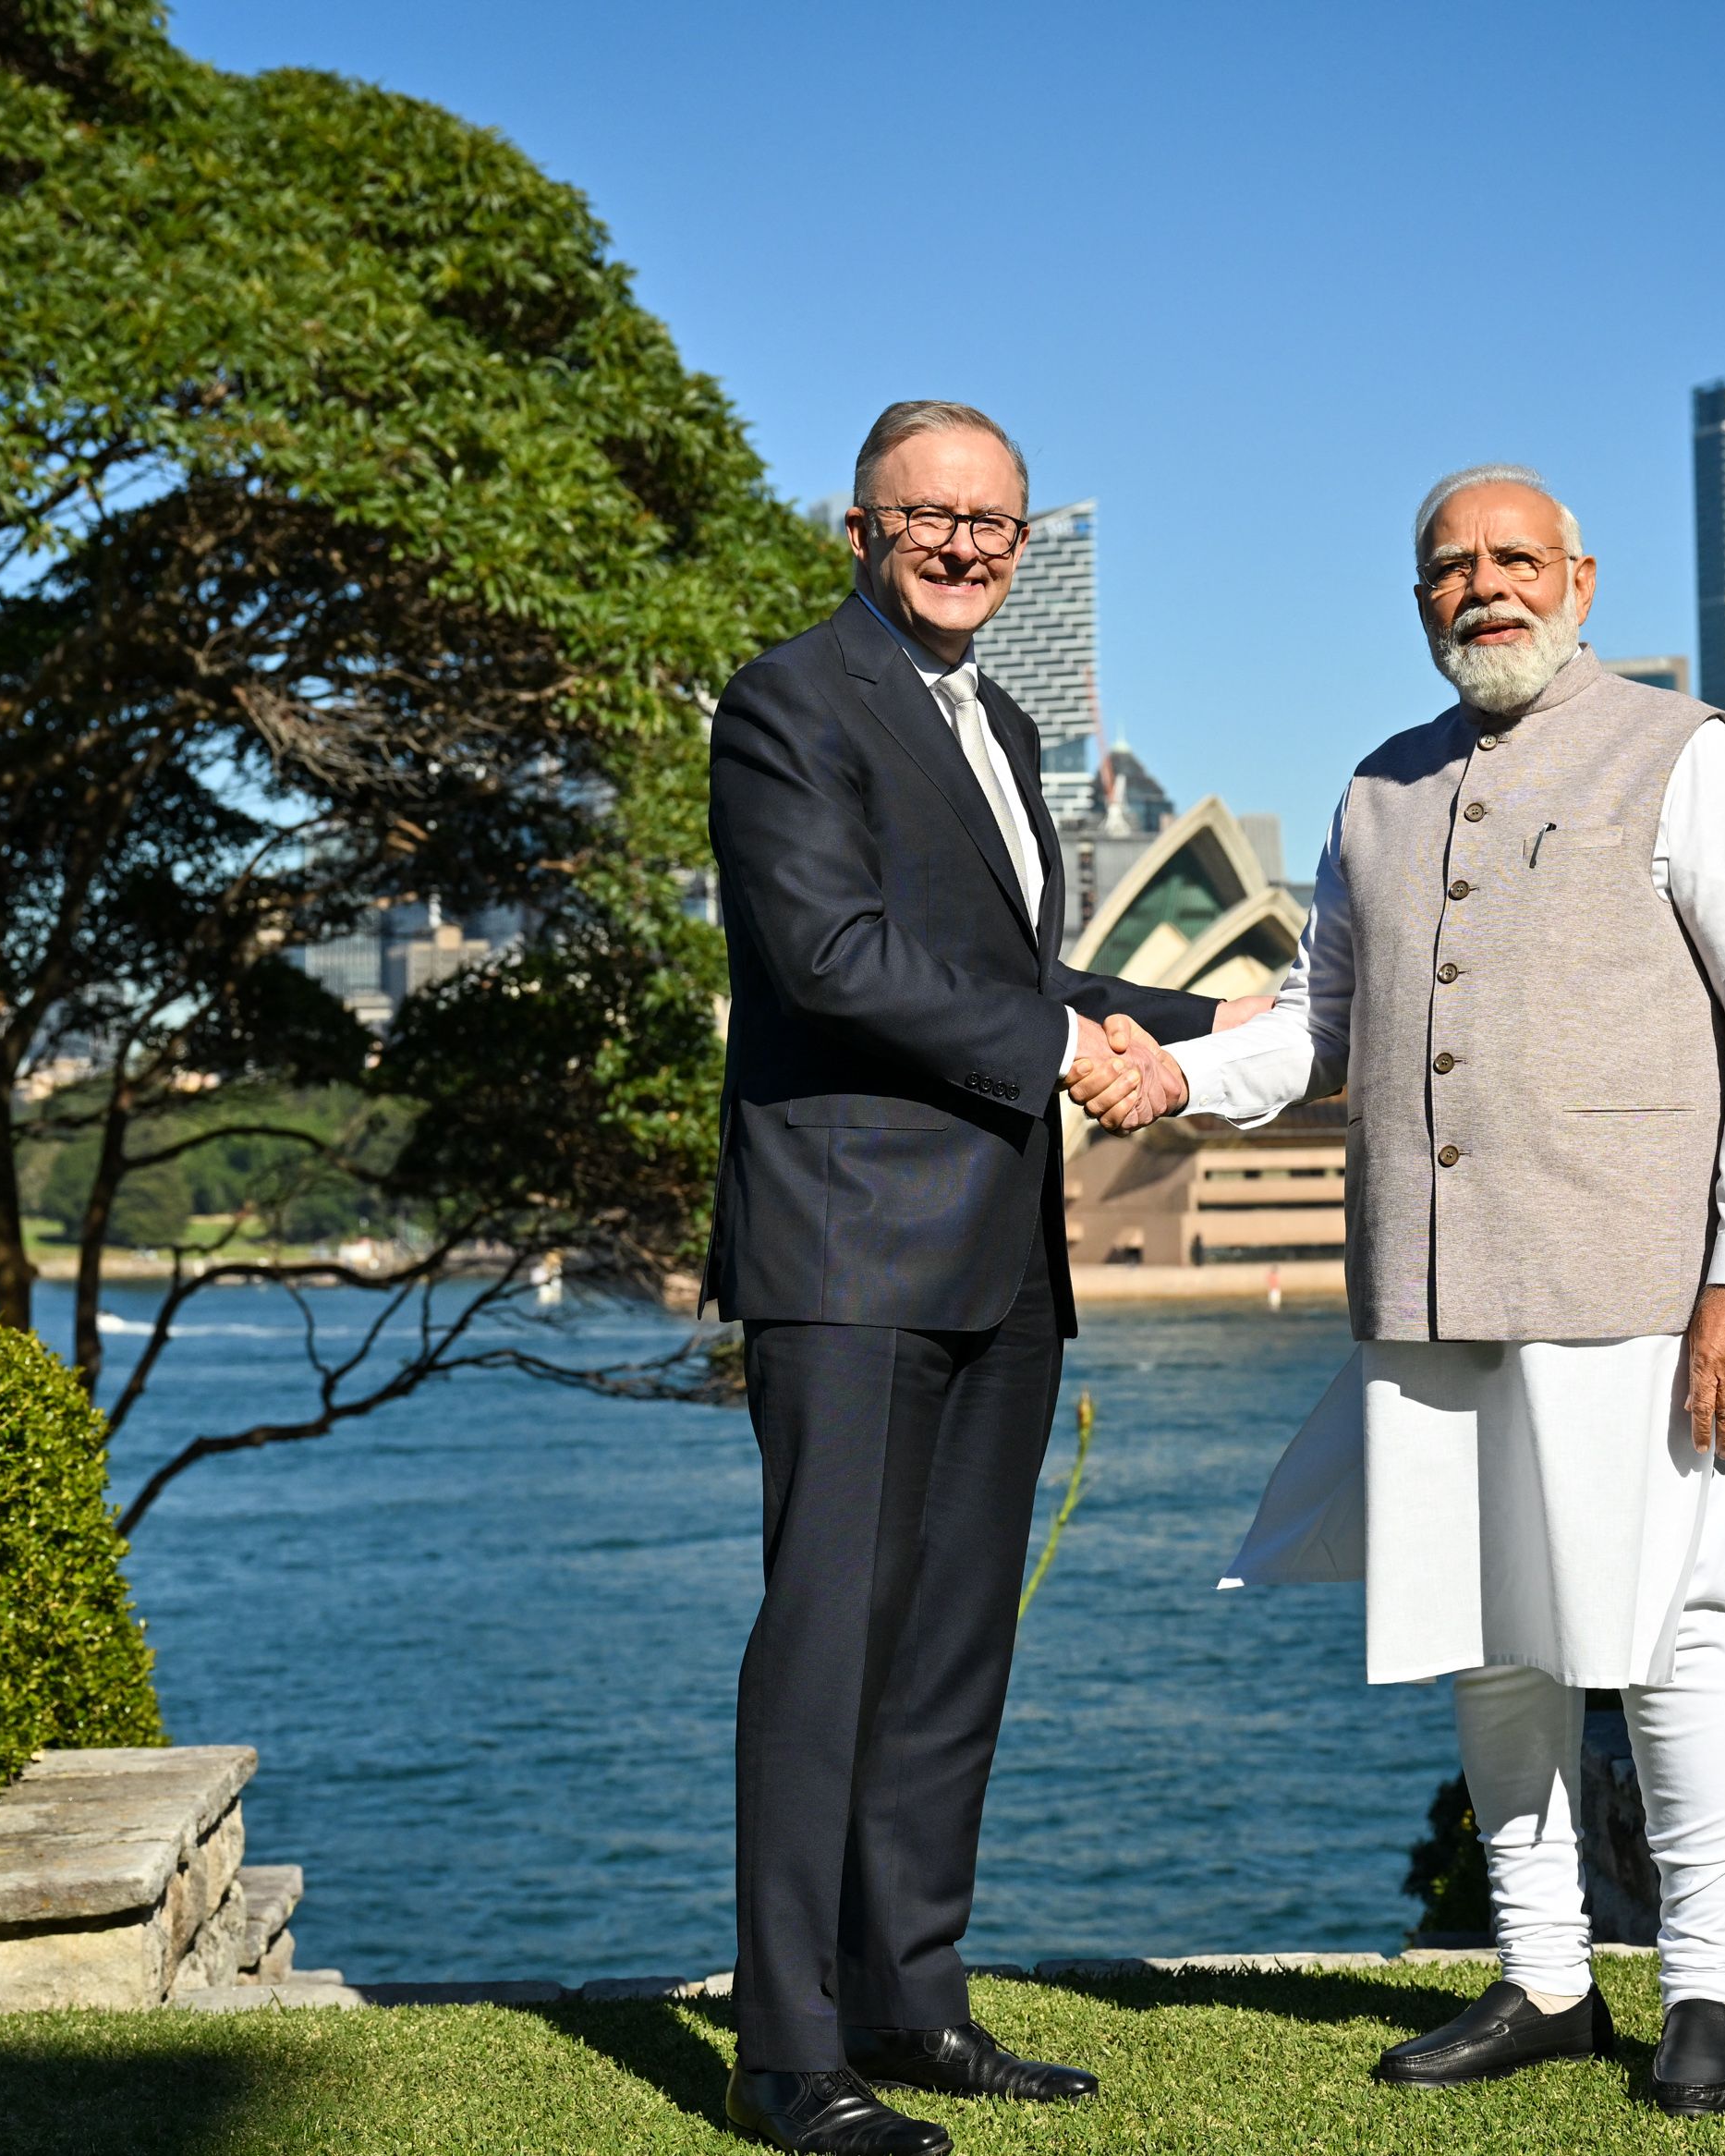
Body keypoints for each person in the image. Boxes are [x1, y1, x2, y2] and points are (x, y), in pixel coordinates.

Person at [1092, 463, 1725, 2117]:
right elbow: (1317, 1027)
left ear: (1577, 576)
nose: (1482, 586)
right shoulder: (1372, 792)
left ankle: (1706, 1987)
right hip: (1425, 1289)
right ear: (1419, 597)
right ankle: (1547, 1975)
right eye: (1449, 566)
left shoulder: (1682, 752)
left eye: (1512, 559)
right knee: (1488, 1645)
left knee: (1671, 1634)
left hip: (1635, 1279)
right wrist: (1176, 1085)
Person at [702, 400, 1223, 2154]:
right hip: (849, 1247)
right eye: (930, 517)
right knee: (826, 1644)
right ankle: (790, 2051)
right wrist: (1075, 1051)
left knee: (946, 1655)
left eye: (995, 524)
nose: (966, 546)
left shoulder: (996, 718)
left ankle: (912, 2003)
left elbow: (1013, 961)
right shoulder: (790, 699)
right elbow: (834, 955)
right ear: (860, 528)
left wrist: (1210, 1026)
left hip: (1001, 1255)